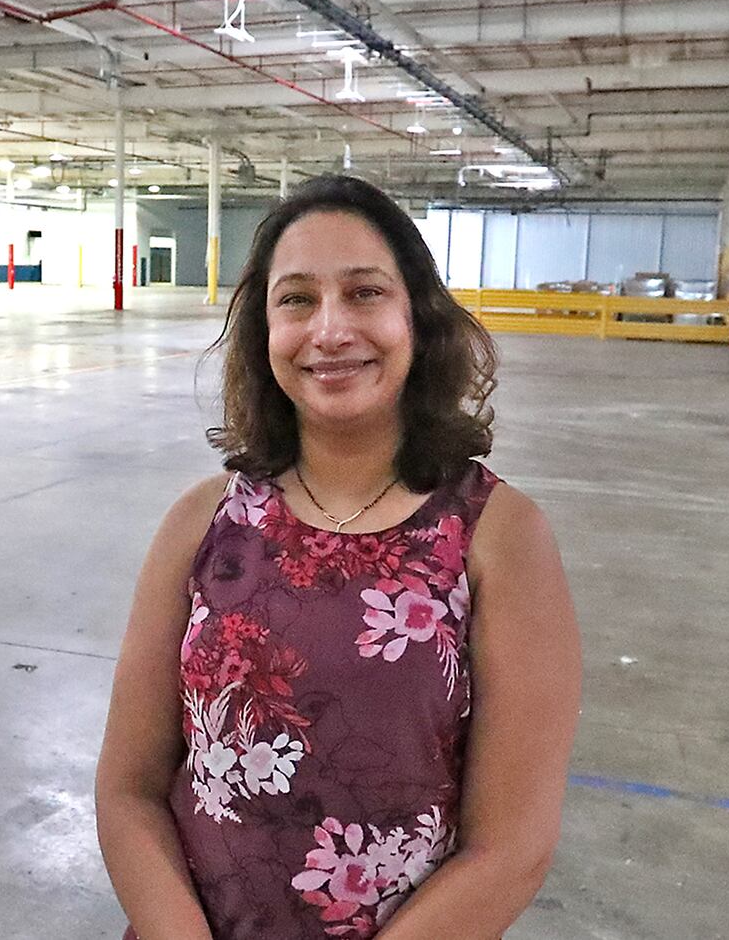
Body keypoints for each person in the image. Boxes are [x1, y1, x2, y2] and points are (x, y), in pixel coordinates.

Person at [95, 175, 581, 939]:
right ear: (263, 332)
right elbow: (128, 788)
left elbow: (510, 848)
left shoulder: (500, 538)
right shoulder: (201, 524)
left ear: (416, 318)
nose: (329, 331)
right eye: (295, 300)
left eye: (364, 293)